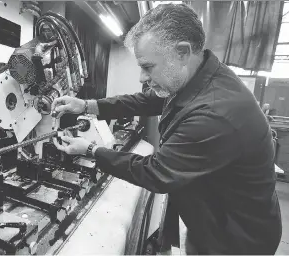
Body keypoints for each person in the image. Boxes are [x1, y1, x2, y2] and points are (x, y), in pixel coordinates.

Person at [51, 3, 282, 255]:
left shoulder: (215, 113)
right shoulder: (197, 74)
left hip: (236, 240)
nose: (141, 78)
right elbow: (147, 100)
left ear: (182, 52)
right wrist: (86, 105)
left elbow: (156, 172)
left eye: (148, 67)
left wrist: (92, 149)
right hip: (211, 215)